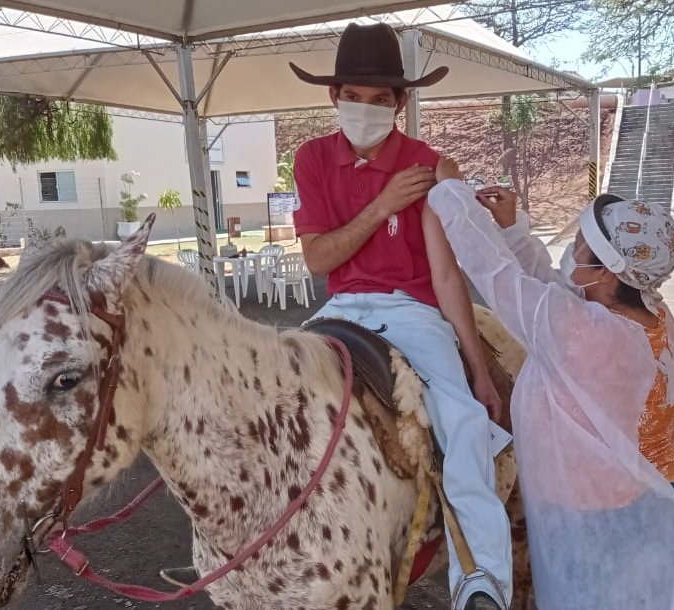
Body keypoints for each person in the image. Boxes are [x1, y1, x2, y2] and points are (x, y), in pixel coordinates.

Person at [288, 22, 512, 610]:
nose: (364, 109)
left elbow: (444, 276)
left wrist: (478, 372)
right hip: (338, 309)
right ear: (333, 96)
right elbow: (318, 258)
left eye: (380, 99)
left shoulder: (433, 166)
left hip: (412, 311)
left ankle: (480, 577)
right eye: (353, 97)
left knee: (462, 422)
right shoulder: (311, 159)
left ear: (400, 103)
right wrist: (383, 205)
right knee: (274, 399)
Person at [427, 157, 674, 610]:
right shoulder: (645, 314)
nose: (572, 253)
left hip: (598, 515)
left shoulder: (581, 333)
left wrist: (452, 195)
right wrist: (513, 228)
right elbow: (552, 292)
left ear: (605, 272)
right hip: (651, 496)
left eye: (580, 247)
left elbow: (499, 277)